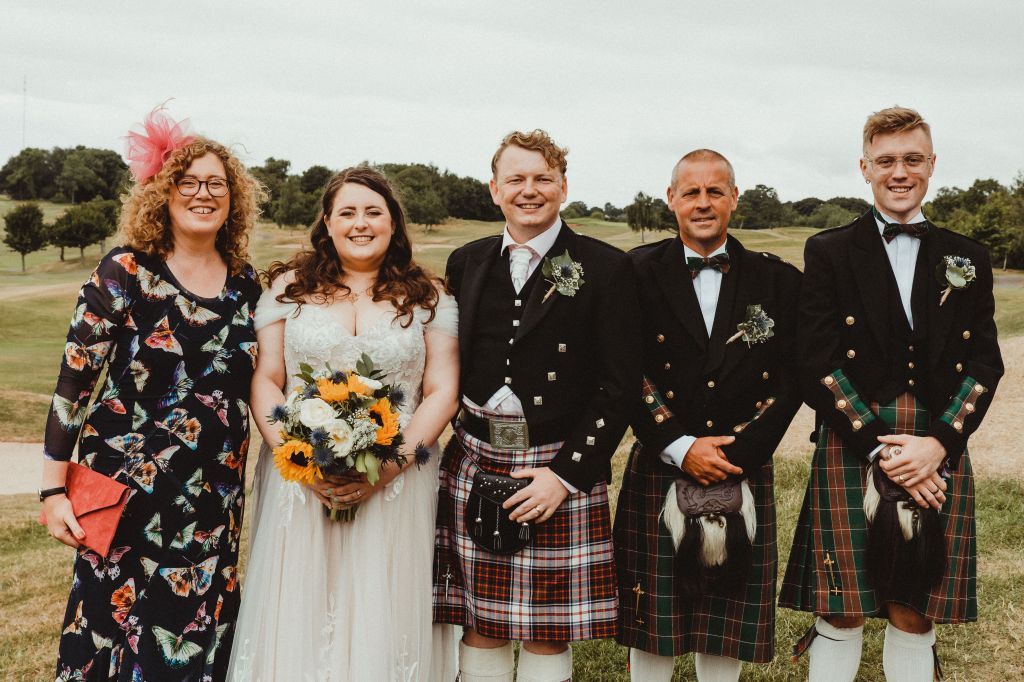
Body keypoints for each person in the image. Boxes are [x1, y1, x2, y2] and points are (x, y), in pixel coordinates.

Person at [40, 106, 266, 680]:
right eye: (188, 183)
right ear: (162, 193)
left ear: (233, 198)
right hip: (119, 492)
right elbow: (74, 384)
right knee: (109, 641)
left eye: (217, 184)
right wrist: (51, 491)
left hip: (211, 504)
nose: (203, 194)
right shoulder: (124, 272)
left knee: (192, 643)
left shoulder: (247, 283)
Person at [779, 106, 1004, 681]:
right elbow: (816, 362)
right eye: (886, 161)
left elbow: (984, 362)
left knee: (914, 604)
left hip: (936, 436)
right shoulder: (829, 250)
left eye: (911, 159)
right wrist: (880, 446)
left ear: (932, 165)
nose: (899, 172)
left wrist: (940, 444)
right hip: (856, 437)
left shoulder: (967, 256)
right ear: (864, 168)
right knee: (842, 602)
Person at [228, 166, 460, 681]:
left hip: (399, 477)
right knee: (302, 604)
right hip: (300, 478)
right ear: (327, 224)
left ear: (394, 224)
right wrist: (296, 458)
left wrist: (392, 467)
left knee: (386, 600)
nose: (361, 223)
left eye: (374, 212)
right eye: (347, 213)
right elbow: (266, 379)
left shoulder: (430, 298)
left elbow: (442, 391)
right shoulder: (288, 290)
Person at [432, 129, 640, 682]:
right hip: (474, 455)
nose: (530, 190)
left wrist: (565, 477)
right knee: (481, 619)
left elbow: (618, 387)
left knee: (547, 630)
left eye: (543, 178)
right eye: (516, 179)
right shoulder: (466, 262)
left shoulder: (607, 268)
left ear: (563, 187)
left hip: (557, 459)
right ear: (494, 189)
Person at [613, 150, 803, 681]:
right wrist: (678, 444)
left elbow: (793, 378)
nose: (703, 203)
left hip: (743, 463)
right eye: (690, 192)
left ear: (734, 198)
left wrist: (740, 451)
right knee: (653, 617)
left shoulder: (778, 280)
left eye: (715, 191)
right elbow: (623, 369)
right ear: (670, 199)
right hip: (661, 456)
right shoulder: (633, 272)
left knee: (726, 616)